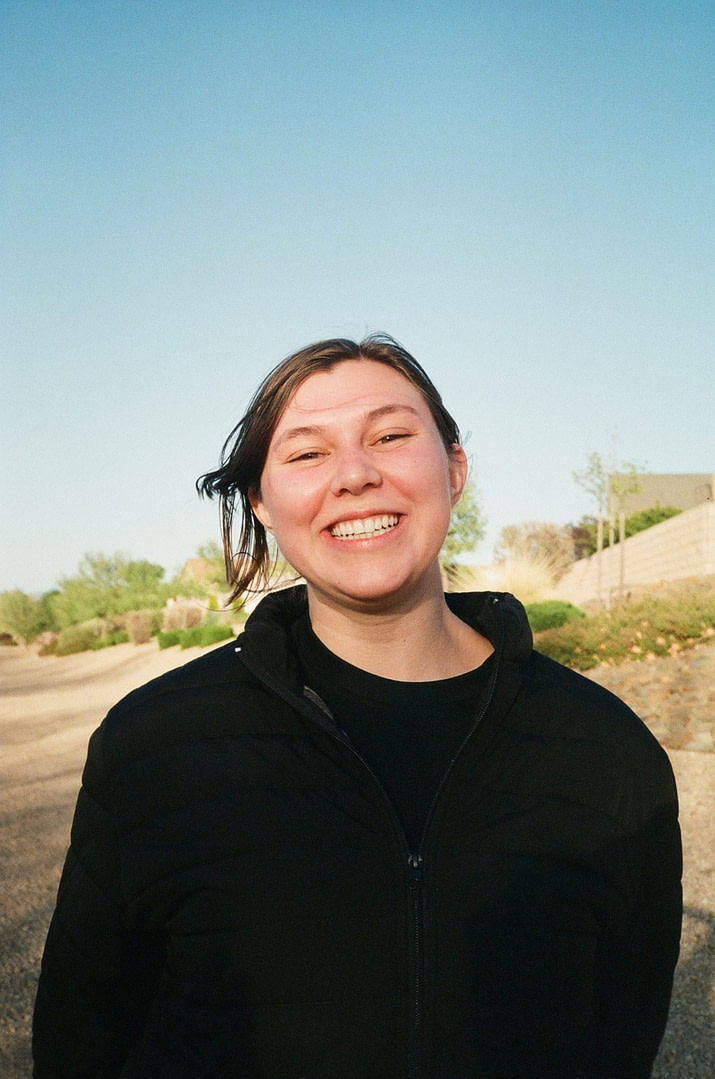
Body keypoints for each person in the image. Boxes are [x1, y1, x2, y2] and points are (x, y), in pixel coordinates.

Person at [33, 334, 682, 1078]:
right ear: (261, 500)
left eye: (391, 436)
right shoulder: (153, 746)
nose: (354, 474)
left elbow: (620, 1037)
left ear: (455, 468)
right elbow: (81, 1036)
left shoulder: (605, 754)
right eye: (307, 454)